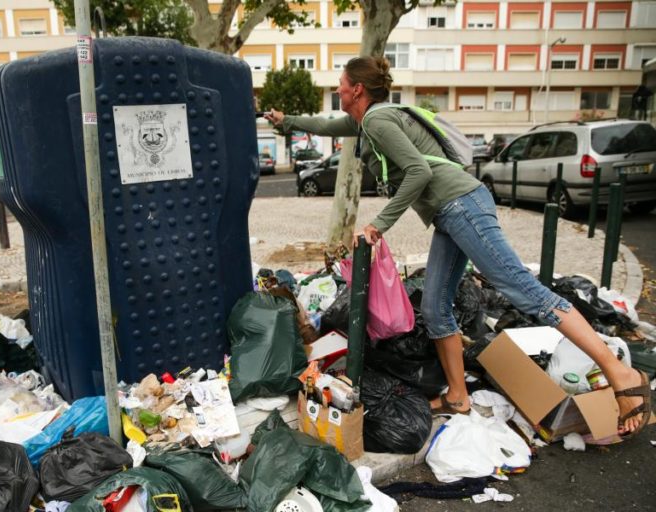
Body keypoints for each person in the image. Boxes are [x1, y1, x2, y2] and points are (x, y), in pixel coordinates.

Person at [265, 56, 650, 436]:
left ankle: (620, 373)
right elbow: (326, 124)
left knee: (523, 290)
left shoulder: (379, 120)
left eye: (341, 83)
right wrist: (286, 122)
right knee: (434, 309)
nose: (337, 88)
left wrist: (378, 224)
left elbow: (419, 171)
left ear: (357, 89)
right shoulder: (367, 120)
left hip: (461, 206)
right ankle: (458, 396)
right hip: (449, 214)